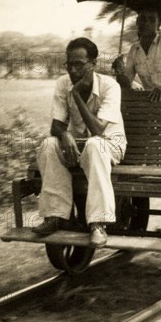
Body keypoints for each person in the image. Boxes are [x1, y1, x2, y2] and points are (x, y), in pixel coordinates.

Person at [33, 37, 126, 247]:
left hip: (109, 145)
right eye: (69, 64)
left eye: (79, 64)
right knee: (49, 144)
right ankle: (55, 216)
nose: (73, 70)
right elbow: (56, 126)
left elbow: (98, 130)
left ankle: (98, 224)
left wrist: (76, 94)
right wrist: (64, 135)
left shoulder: (110, 86)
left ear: (93, 64)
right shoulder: (62, 83)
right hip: (79, 146)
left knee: (95, 144)